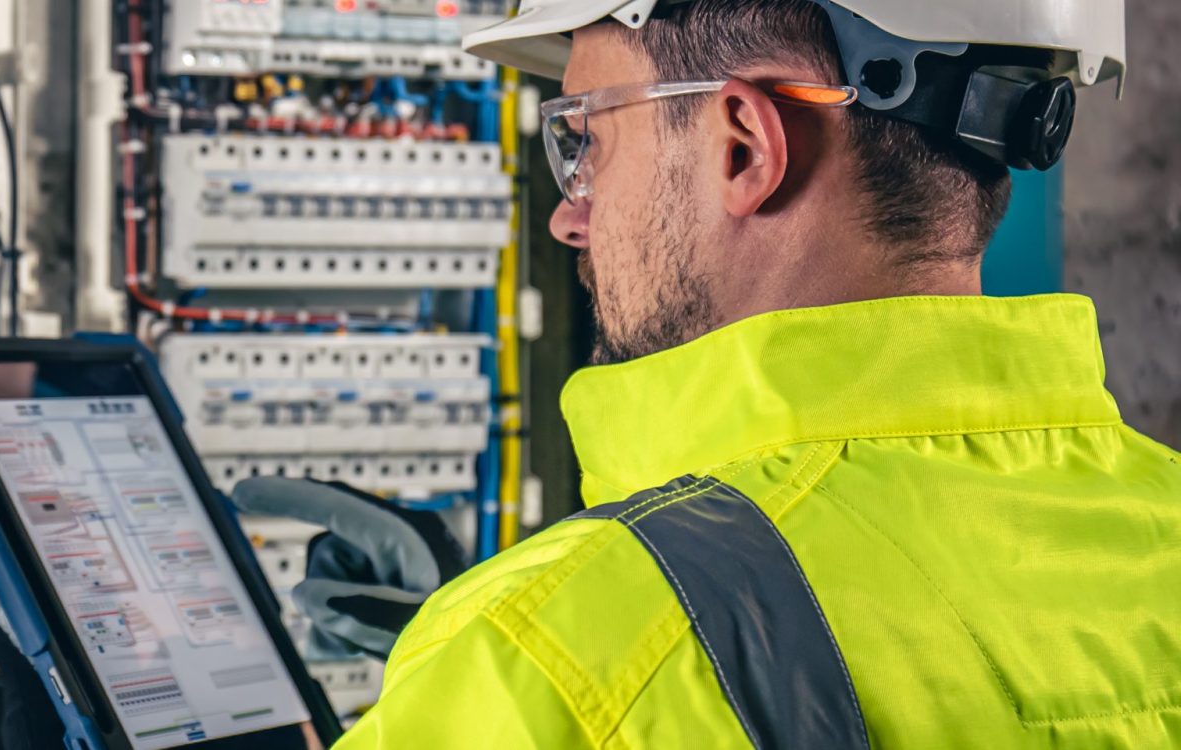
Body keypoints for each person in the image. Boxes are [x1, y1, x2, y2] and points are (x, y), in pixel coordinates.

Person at [234, 0, 1181, 746]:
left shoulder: (555, 663)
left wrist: (503, 664)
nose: (571, 217)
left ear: (744, 146)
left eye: (586, 141)